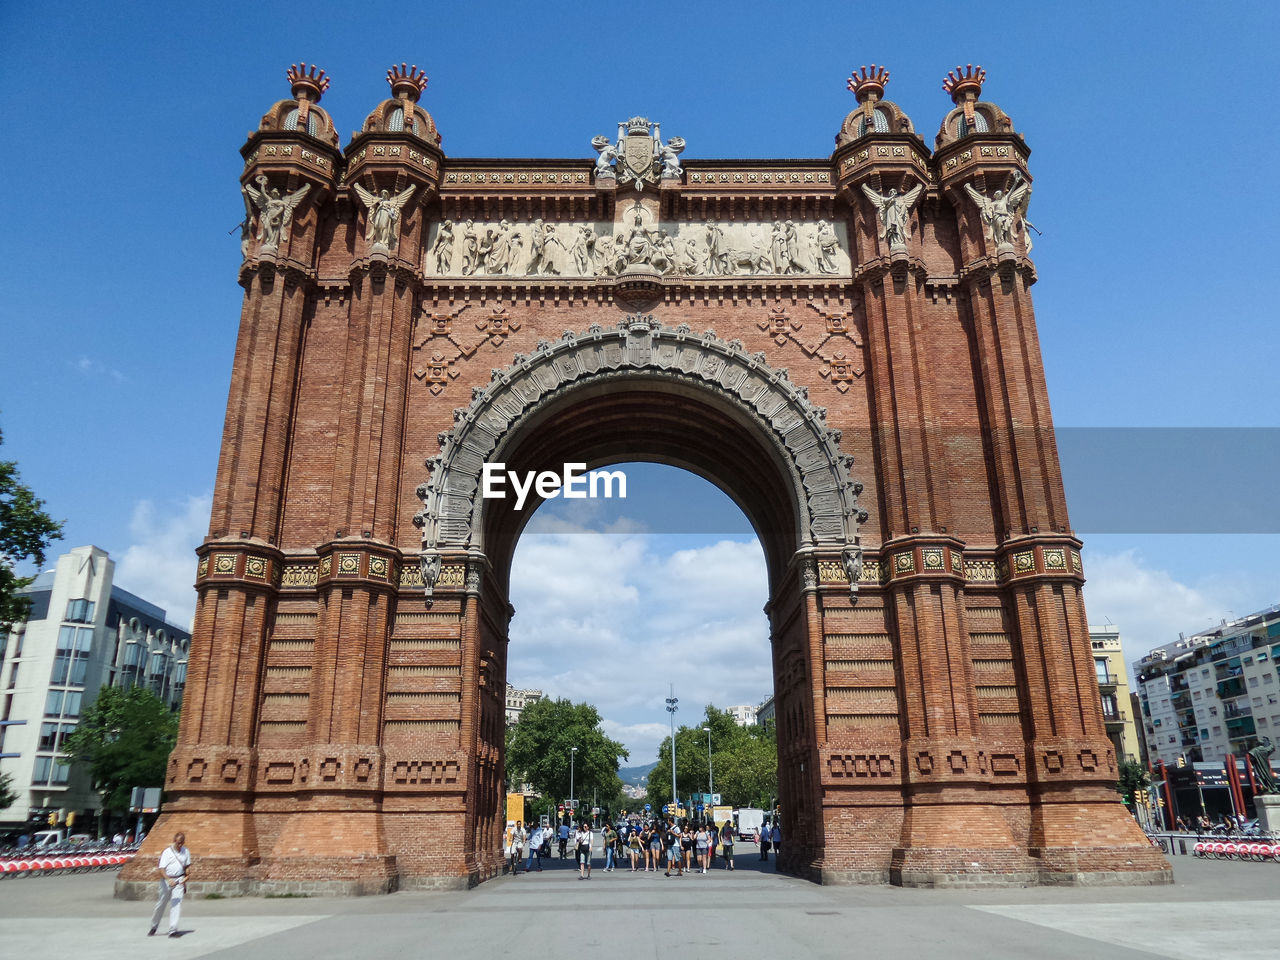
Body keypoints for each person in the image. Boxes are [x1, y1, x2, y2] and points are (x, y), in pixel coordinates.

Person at [148, 832, 191, 938]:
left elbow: (186, 867)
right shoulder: (167, 852)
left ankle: (173, 929)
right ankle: (154, 925)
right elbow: (161, 869)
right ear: (174, 841)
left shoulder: (186, 852)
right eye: (178, 843)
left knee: (176, 904)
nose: (180, 845)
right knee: (161, 903)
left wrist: (186, 878)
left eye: (181, 843)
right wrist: (168, 879)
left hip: (179, 880)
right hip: (167, 880)